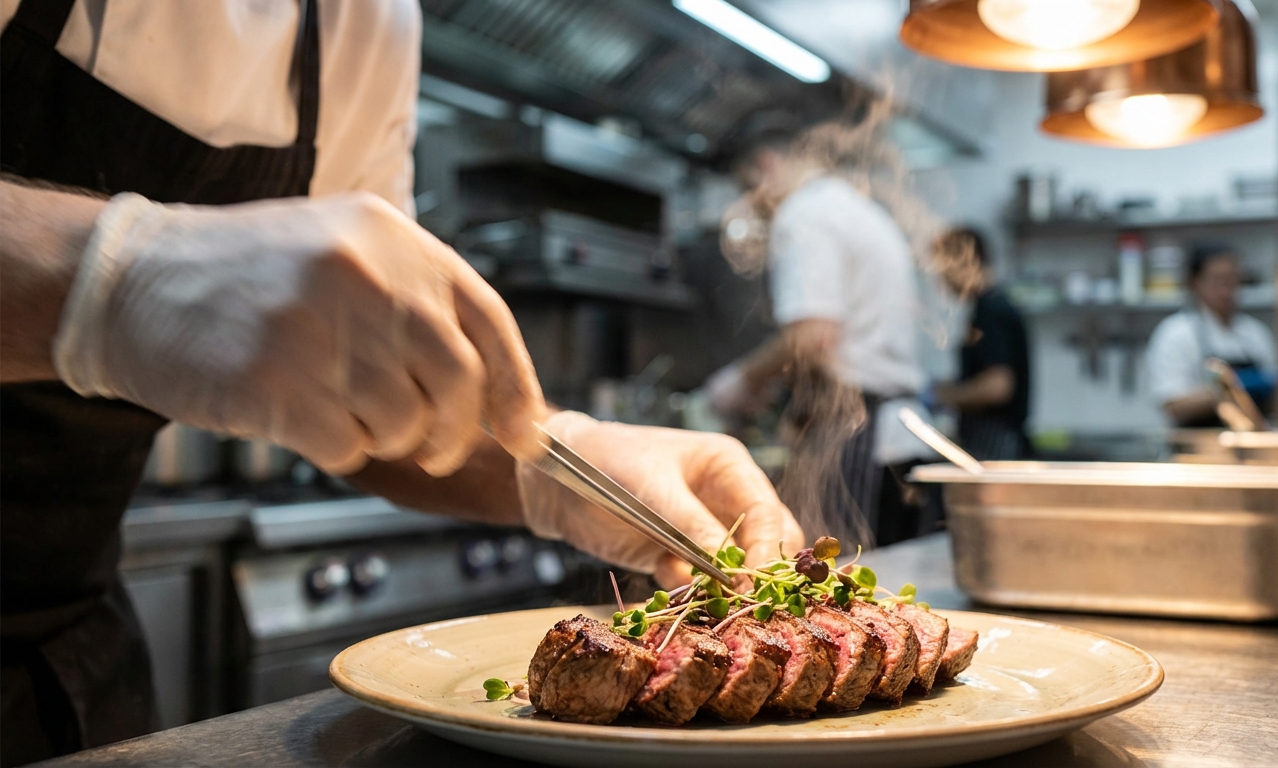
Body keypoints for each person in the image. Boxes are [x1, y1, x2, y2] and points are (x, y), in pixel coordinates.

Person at [0, 2, 802, 763]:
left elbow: (384, 403)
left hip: (64, 646)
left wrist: (557, 464)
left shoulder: (365, 20)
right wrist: (109, 278)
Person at [704, 124, 935, 548]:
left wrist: (742, 380)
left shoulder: (805, 214)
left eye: (747, 189)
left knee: (840, 586)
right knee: (880, 593)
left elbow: (812, 335)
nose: (754, 209)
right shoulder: (855, 208)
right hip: (896, 436)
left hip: (857, 434)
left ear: (766, 165)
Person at [1145, 245, 1277, 427]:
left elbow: (1275, 394)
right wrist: (1228, 390)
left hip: (1253, 444)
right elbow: (1172, 404)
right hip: (1198, 447)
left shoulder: (1255, 332)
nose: (1227, 289)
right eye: (1218, 280)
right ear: (1195, 283)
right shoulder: (1176, 333)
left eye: (1233, 280)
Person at [931, 228, 1032, 461]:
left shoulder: (990, 310)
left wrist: (943, 396)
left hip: (994, 443)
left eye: (943, 268)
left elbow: (998, 386)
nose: (942, 279)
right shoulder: (992, 305)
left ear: (962, 260)